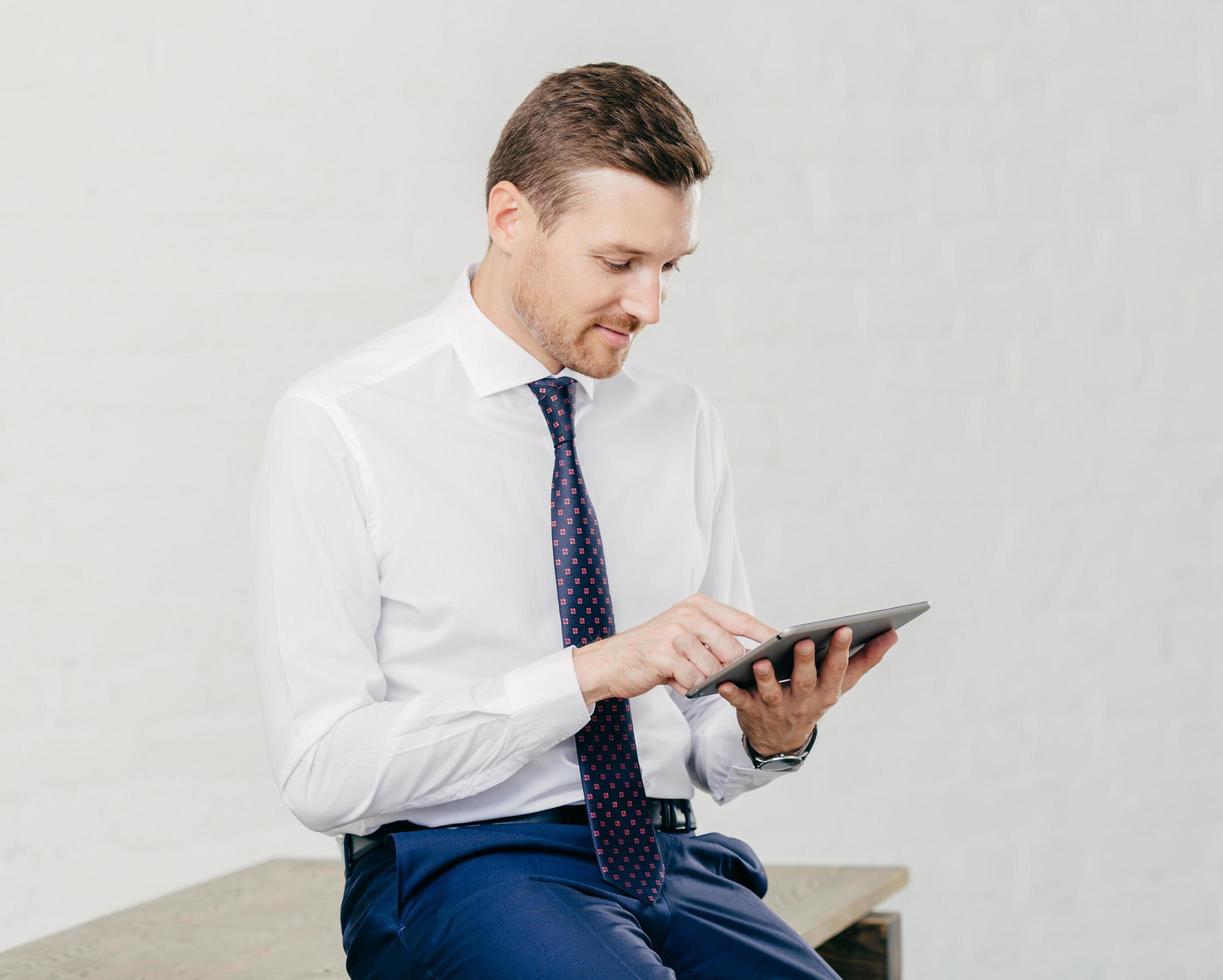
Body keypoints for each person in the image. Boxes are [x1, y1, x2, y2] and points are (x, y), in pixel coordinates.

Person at [249, 61, 901, 978]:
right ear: (510, 217)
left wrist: (772, 731)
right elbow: (322, 772)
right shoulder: (341, 421)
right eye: (618, 263)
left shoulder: (679, 423)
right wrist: (592, 673)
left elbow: (709, 745)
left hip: (669, 858)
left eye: (668, 267)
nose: (650, 305)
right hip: (462, 864)